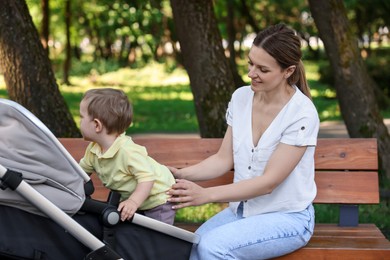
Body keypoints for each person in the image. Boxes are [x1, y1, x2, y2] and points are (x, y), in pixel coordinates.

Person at [167, 23, 320, 259]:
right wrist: (181, 174)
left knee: (213, 247)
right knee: (194, 247)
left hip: (288, 219)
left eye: (262, 69)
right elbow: (222, 159)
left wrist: (206, 195)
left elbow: (269, 182)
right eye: (250, 63)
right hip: (243, 211)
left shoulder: (302, 113)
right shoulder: (241, 97)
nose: (251, 73)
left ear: (288, 71)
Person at [79, 88, 176, 225]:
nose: (79, 121)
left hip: (158, 198)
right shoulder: (93, 149)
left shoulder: (127, 151)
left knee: (158, 236)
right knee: (132, 231)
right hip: (137, 199)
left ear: (97, 125)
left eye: (81, 117)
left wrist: (133, 201)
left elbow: (147, 178)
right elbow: (80, 173)